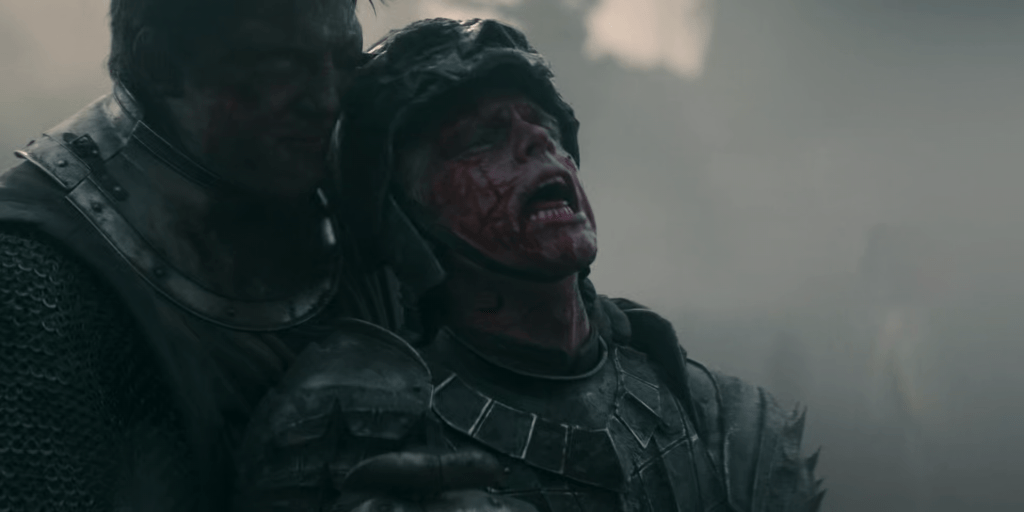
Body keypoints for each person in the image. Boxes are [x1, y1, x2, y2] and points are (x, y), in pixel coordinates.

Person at [234, 18, 826, 512]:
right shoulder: (344, 424)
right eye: (480, 138)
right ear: (401, 214)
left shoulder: (727, 422)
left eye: (545, 127)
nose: (537, 144)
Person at [0, 1, 397, 510]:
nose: (328, 99)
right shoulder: (32, 275)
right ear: (160, 63)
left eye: (347, 60)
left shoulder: (376, 205)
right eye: (280, 65)